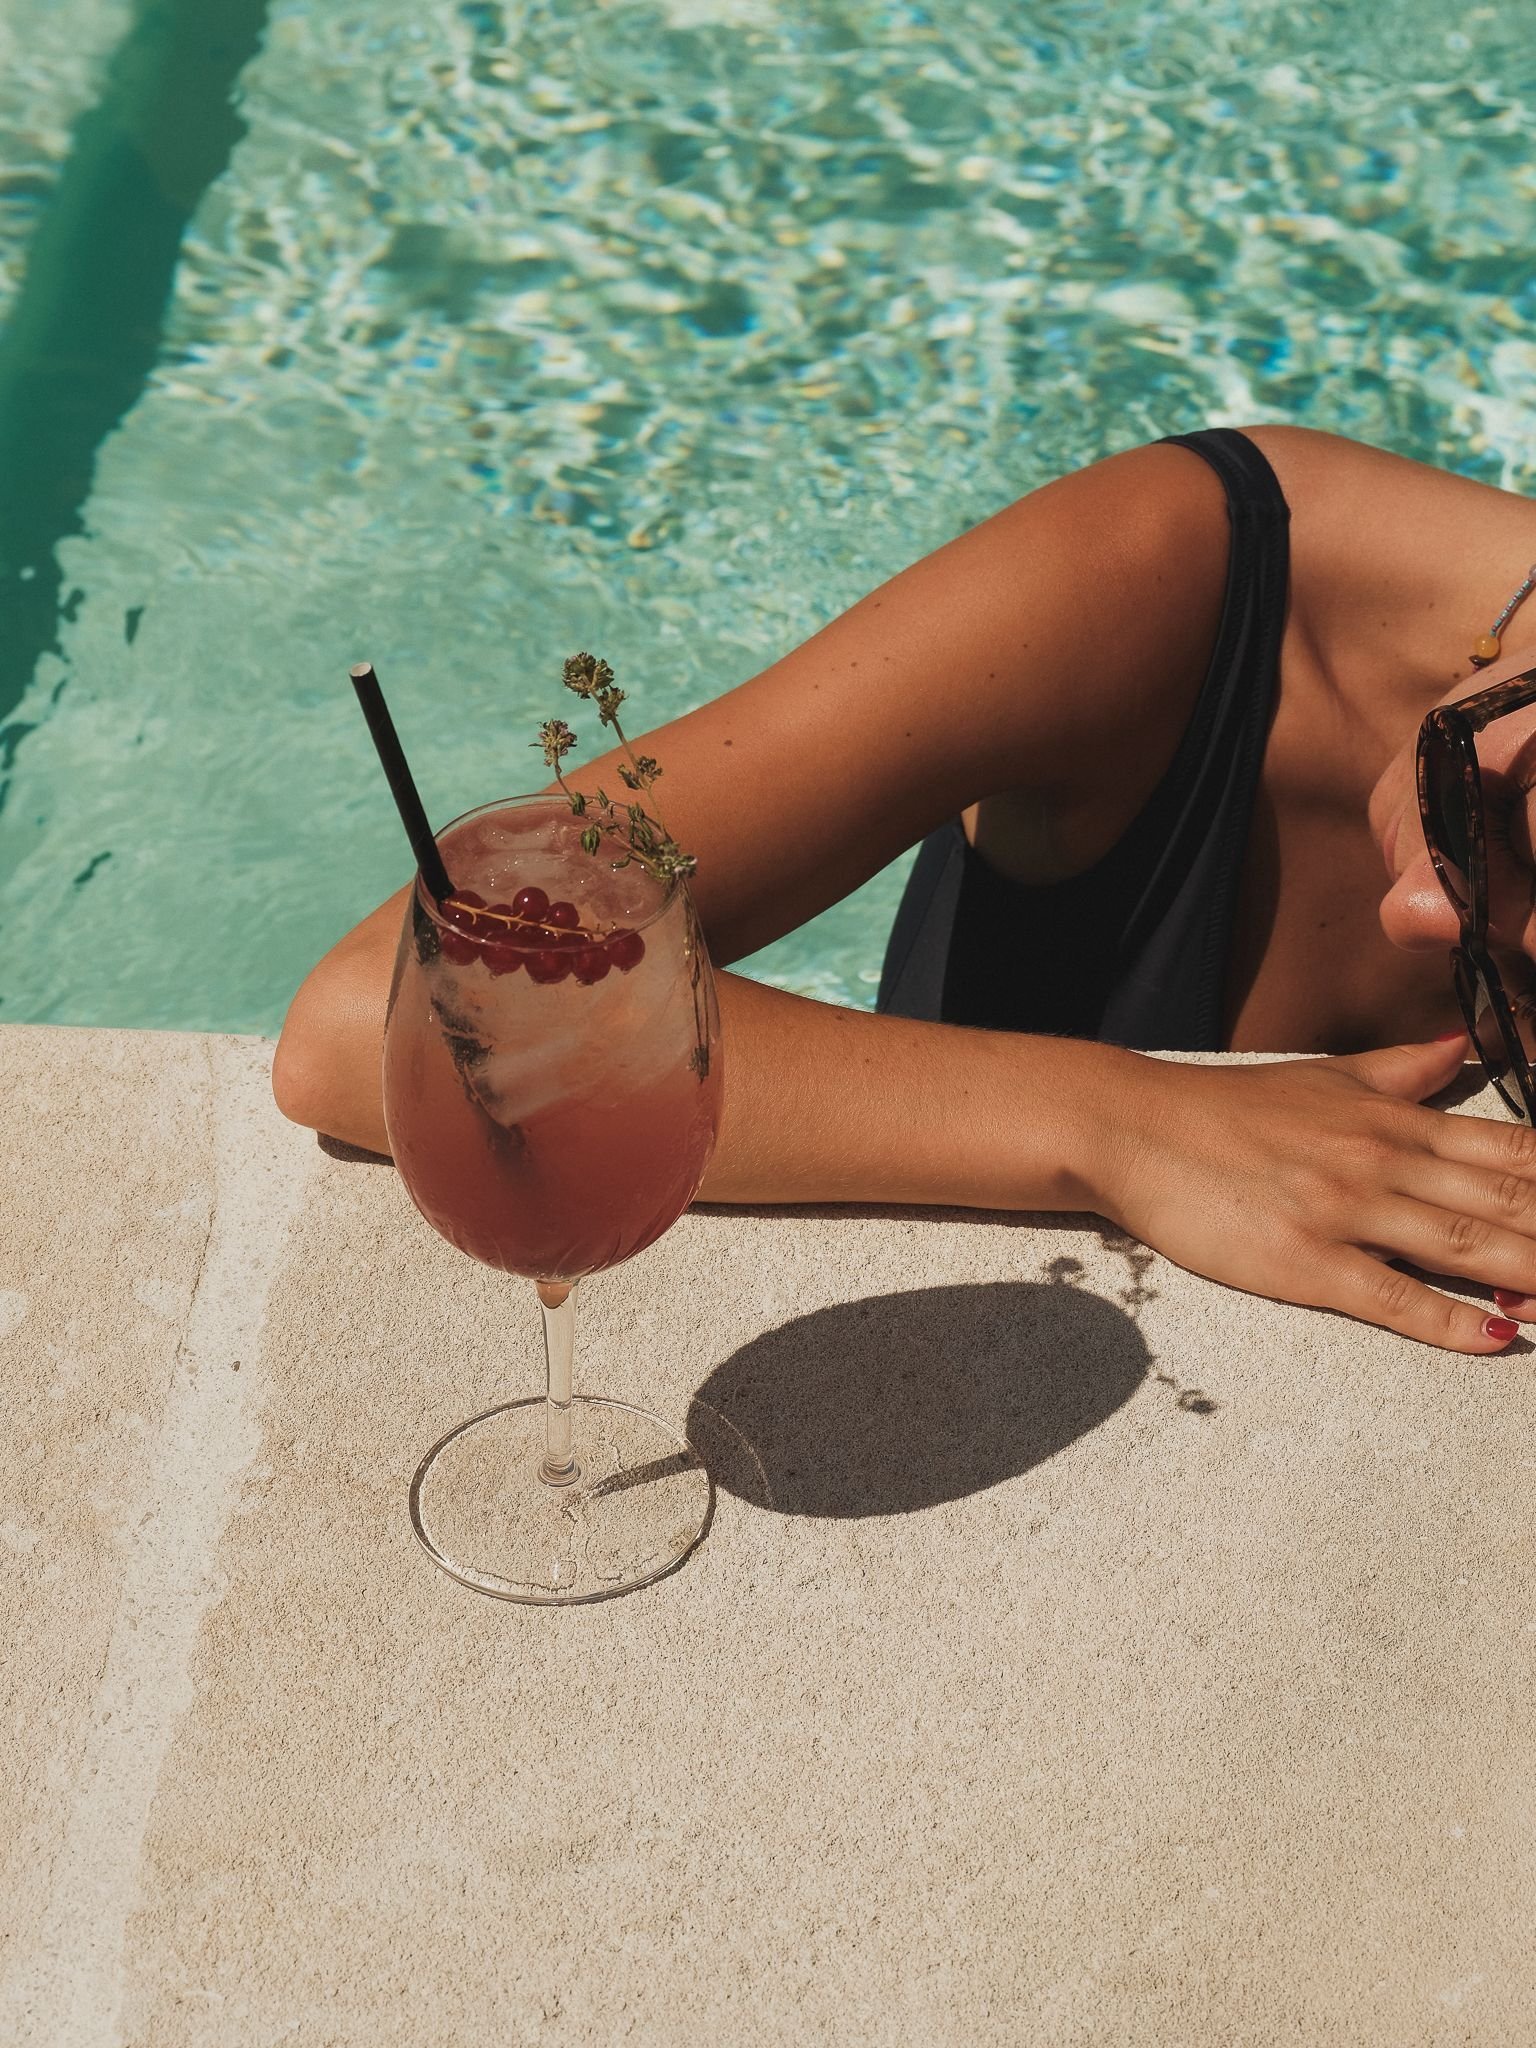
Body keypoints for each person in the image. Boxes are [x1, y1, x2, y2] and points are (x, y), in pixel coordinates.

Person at [272, 423, 1536, 1355]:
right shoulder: (1162, 577)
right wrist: (1127, 1123)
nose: (1420, 912)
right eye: (1489, 817)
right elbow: (370, 1021)